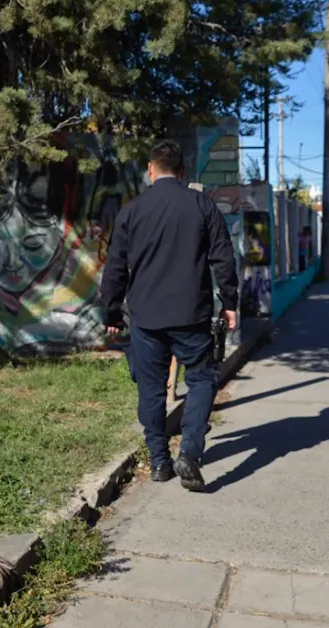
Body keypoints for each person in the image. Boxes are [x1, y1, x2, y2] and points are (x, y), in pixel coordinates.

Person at [99, 140, 239, 492]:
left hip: (146, 316)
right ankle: (190, 452)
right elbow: (223, 257)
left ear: (150, 169)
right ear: (182, 171)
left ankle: (160, 461)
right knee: (203, 379)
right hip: (191, 314)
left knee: (150, 389)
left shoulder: (132, 211)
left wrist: (111, 310)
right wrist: (231, 302)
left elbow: (115, 266)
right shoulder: (202, 206)